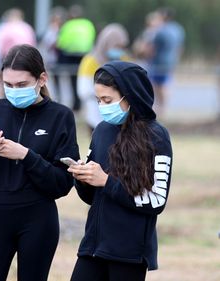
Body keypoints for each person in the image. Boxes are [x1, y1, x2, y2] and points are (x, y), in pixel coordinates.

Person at [0, 44, 80, 281]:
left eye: (21, 85)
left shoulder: (61, 116)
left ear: (42, 79)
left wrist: (26, 156)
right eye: (8, 85)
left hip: (38, 219)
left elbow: (62, 184)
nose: (14, 91)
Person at [68, 61, 173, 281]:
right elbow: (90, 197)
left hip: (129, 254)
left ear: (130, 96)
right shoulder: (101, 130)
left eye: (108, 100)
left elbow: (156, 201)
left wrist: (106, 181)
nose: (102, 106)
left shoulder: (157, 136)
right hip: (93, 246)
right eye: (98, 100)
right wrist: (82, 178)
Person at [77, 23, 130, 133]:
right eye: (116, 46)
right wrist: (106, 98)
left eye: (122, 47)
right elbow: (84, 90)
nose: (119, 50)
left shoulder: (124, 59)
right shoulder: (91, 61)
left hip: (121, 115)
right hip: (95, 114)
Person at [53, 5, 96, 111]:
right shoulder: (88, 24)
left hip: (70, 55)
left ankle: (68, 102)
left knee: (69, 77)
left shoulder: (67, 25)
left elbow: (60, 43)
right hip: (84, 55)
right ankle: (79, 104)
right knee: (80, 79)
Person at [0, 8, 37, 100]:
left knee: (6, 84)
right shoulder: (27, 28)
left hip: (7, 60)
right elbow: (33, 46)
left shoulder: (3, 28)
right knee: (23, 82)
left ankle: (5, 101)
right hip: (26, 59)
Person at [148, 7, 185, 116]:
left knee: (158, 85)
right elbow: (180, 47)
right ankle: (163, 107)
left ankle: (161, 107)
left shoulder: (160, 31)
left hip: (159, 62)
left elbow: (152, 48)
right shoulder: (178, 29)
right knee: (164, 84)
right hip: (171, 61)